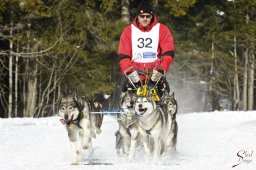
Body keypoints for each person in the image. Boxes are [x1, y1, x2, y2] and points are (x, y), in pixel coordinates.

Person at [118, 1, 175, 94]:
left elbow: (168, 53)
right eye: (142, 16)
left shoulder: (162, 29)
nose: (145, 19)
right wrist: (129, 73)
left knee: (157, 102)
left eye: (148, 16)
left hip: (155, 74)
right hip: (135, 75)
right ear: (137, 16)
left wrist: (160, 71)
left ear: (152, 16)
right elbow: (123, 55)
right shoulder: (129, 31)